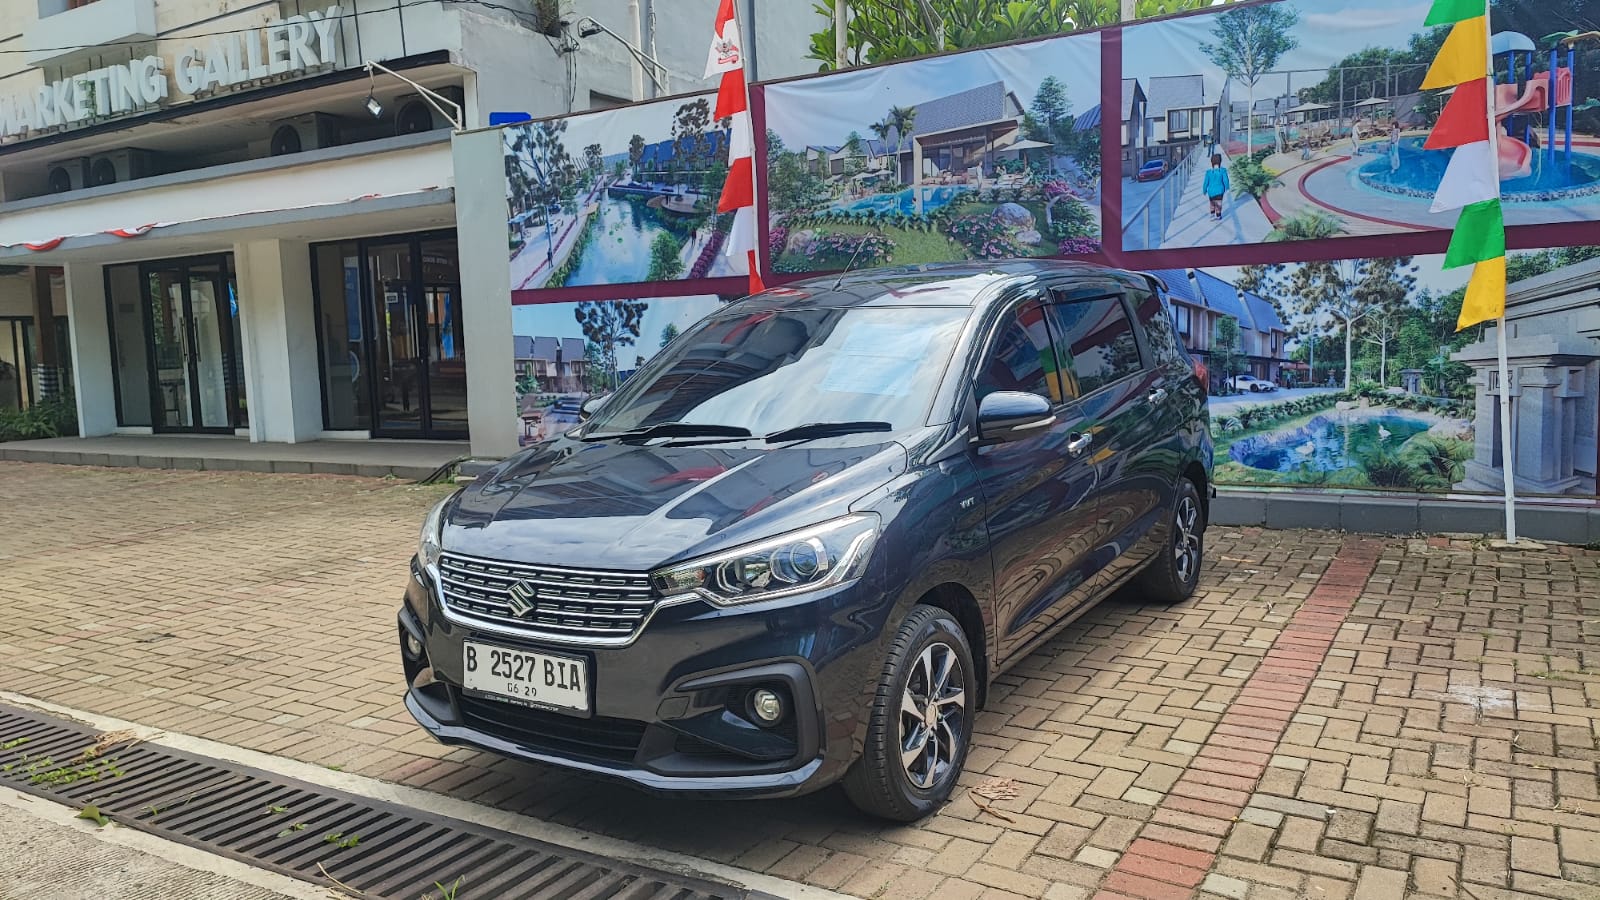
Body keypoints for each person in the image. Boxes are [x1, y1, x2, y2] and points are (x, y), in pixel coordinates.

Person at [1203, 154, 1230, 221]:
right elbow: (1226, 180)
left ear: (1212, 161)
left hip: (1211, 191)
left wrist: (1204, 190)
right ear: (1220, 161)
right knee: (1218, 203)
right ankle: (1218, 215)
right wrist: (1227, 188)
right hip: (1220, 191)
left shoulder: (1208, 172)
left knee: (1212, 203)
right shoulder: (1223, 171)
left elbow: (1206, 182)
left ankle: (1212, 214)